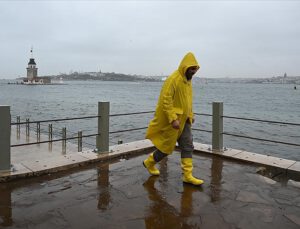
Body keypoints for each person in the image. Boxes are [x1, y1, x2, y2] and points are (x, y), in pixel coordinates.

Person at [143, 52, 204, 186]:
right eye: (192, 69)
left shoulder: (188, 82)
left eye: (195, 69)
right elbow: (166, 100)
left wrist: (191, 115)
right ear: (185, 67)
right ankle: (149, 162)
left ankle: (187, 175)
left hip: (185, 121)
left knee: (188, 145)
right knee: (166, 148)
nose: (194, 72)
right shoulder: (173, 79)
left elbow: (188, 101)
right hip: (174, 121)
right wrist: (172, 119)